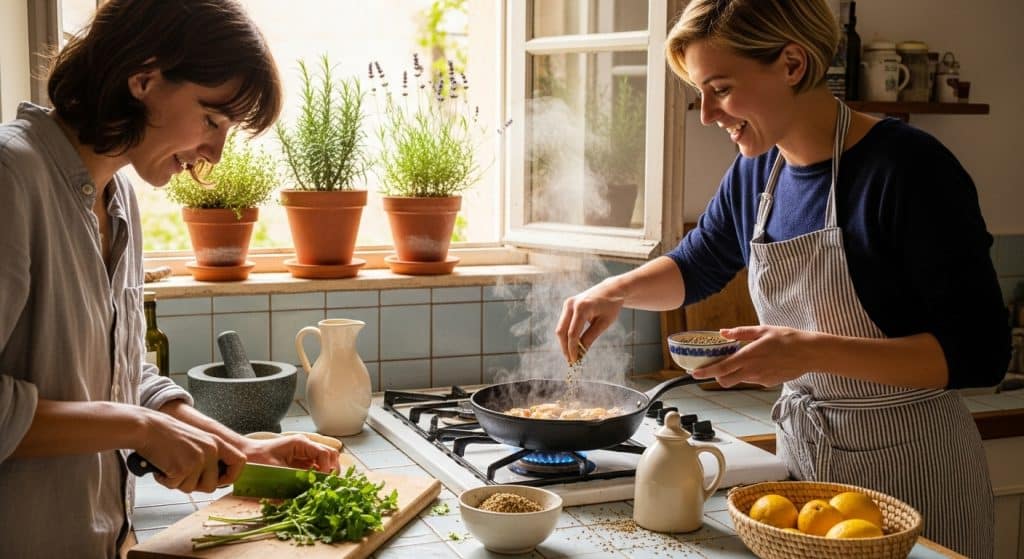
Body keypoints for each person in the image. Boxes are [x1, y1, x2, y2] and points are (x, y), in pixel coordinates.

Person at [556, 1, 1009, 556]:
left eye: (719, 88)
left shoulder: (909, 169)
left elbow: (980, 355)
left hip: (914, 469)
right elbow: (699, 264)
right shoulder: (757, 170)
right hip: (807, 470)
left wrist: (809, 351)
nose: (706, 113)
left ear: (792, 64)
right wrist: (613, 291)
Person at [0, 1, 339, 557]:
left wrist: (241, 450)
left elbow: (123, 371)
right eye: (211, 119)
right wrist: (138, 428)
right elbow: (120, 414)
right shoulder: (12, 176)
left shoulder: (119, 198)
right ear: (144, 78)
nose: (216, 152)